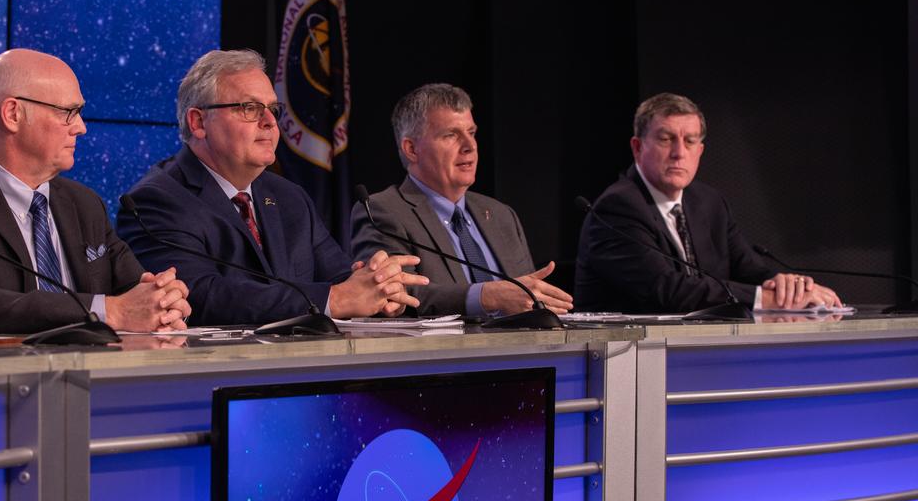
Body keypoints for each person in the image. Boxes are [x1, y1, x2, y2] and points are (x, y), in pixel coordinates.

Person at [115, 49, 426, 326]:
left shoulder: (289, 196)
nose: (270, 122)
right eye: (250, 108)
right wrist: (337, 299)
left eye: (272, 109)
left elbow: (341, 278)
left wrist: (379, 288)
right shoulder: (156, 201)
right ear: (198, 122)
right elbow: (197, 296)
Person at [0, 49, 190, 334]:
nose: (81, 128)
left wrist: (164, 302)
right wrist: (106, 310)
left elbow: (136, 292)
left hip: (95, 373)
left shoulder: (84, 203)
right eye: (68, 112)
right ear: (13, 114)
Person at [574, 92, 841, 313]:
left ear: (700, 151)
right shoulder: (617, 208)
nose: (679, 153)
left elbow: (747, 269)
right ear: (637, 147)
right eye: (666, 139)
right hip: (626, 357)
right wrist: (765, 299)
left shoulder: (708, 202)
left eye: (690, 141)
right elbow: (667, 289)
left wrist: (784, 287)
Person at [351, 83, 573, 318]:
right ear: (412, 149)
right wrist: (486, 296)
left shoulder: (500, 215)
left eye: (472, 133)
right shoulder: (383, 211)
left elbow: (528, 298)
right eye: (450, 135)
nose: (470, 146)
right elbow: (395, 293)